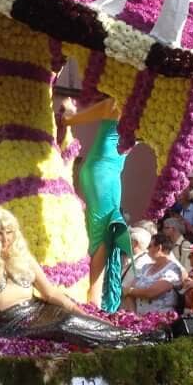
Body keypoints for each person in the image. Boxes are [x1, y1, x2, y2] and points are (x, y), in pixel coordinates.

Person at [0, 206, 138, 347]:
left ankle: (135, 339)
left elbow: (50, 293)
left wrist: (83, 312)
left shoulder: (23, 257)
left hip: (41, 311)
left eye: (9, 232)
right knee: (65, 326)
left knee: (71, 319)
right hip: (10, 324)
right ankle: (131, 339)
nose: (6, 238)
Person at [61, 96, 132, 309]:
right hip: (103, 174)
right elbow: (69, 119)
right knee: (105, 231)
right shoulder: (116, 104)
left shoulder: (141, 112)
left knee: (102, 230)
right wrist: (68, 107)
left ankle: (92, 295)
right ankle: (93, 301)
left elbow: (187, 136)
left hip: (105, 174)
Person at [122, 237, 183, 315]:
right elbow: (128, 293)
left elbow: (152, 293)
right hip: (139, 321)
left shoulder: (173, 269)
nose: (147, 249)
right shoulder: (145, 267)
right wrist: (134, 316)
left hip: (161, 320)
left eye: (150, 246)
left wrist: (130, 291)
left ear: (159, 248)